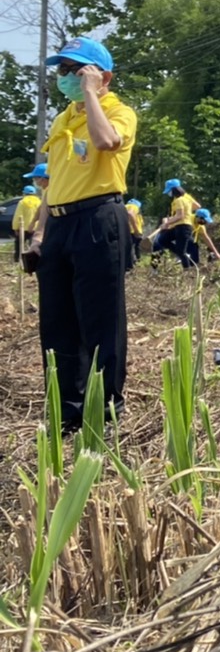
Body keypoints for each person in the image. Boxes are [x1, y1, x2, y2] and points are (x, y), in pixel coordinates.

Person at [26, 36, 136, 430]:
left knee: (100, 320)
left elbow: (106, 142)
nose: (66, 77)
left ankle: (106, 410)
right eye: (63, 70)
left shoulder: (117, 112)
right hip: (59, 223)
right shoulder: (62, 120)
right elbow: (55, 182)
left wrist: (91, 95)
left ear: (102, 76)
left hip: (98, 218)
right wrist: (39, 236)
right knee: (56, 321)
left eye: (76, 70)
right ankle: (66, 411)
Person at [147, 178, 202, 269]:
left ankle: (187, 268)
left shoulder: (179, 200)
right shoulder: (186, 198)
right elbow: (196, 207)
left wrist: (168, 222)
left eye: (169, 191)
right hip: (178, 226)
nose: (169, 194)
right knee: (163, 240)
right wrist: (171, 219)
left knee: (180, 251)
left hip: (183, 227)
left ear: (173, 190)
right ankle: (183, 256)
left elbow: (180, 216)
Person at [12, 183, 41, 263]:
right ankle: (34, 262)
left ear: (24, 193)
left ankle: (18, 260)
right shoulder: (39, 202)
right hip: (36, 228)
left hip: (23, 228)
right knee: (34, 246)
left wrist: (15, 228)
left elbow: (18, 215)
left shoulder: (22, 202)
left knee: (19, 245)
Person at [123, 198, 145, 265]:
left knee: (131, 247)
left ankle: (134, 262)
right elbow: (130, 213)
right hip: (133, 231)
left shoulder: (123, 207)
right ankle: (133, 263)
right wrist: (136, 230)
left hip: (128, 230)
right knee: (134, 247)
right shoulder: (133, 206)